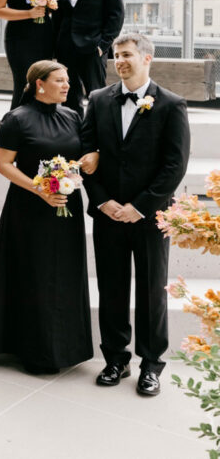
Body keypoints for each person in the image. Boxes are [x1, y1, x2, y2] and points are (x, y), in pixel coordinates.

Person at [80, 33, 190, 396]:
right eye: (116, 55)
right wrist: (102, 201)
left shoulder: (171, 105)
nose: (120, 60)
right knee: (111, 288)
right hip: (108, 213)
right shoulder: (97, 99)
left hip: (150, 217)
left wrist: (141, 206)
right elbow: (86, 154)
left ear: (148, 58)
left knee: (151, 291)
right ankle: (115, 359)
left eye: (127, 54)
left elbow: (174, 166)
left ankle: (151, 364)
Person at [0, 60, 95, 375]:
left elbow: (79, 157)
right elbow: (3, 164)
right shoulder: (16, 119)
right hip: (29, 209)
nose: (68, 86)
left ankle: (65, 348)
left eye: (68, 80)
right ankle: (33, 351)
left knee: (65, 274)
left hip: (66, 208)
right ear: (40, 84)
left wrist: (84, 164)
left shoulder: (72, 116)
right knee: (33, 274)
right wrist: (38, 188)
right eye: (60, 81)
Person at [53, 0, 125, 115]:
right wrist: (56, 46)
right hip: (65, 48)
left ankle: (99, 136)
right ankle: (73, 134)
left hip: (93, 48)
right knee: (68, 94)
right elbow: (57, 16)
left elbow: (116, 15)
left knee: (97, 95)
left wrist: (102, 46)